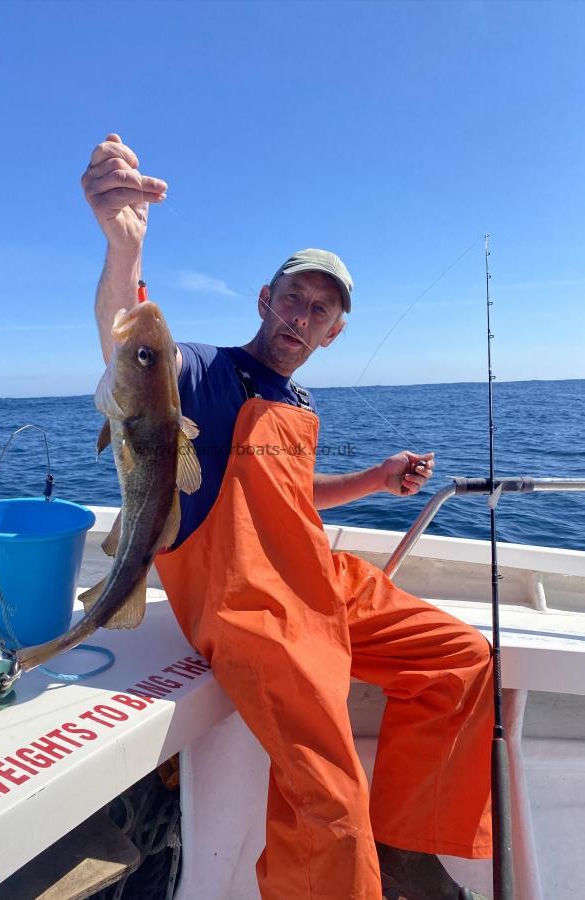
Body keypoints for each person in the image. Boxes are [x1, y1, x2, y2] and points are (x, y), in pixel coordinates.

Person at [82, 133, 492, 900]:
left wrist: (372, 480)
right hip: (251, 606)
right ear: (264, 302)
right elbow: (130, 349)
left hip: (324, 581)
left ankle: (406, 844)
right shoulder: (204, 371)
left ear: (333, 331)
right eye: (292, 298)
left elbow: (288, 498)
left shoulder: (297, 400)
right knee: (327, 792)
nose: (301, 316)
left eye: (320, 309)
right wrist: (122, 249)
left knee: (460, 661)